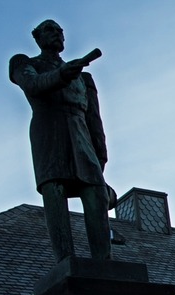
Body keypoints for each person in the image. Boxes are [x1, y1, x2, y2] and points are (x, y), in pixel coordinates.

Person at [9, 19, 112, 262]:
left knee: (96, 193)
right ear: (38, 38)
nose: (56, 34)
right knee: (55, 191)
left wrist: (100, 155)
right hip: (49, 132)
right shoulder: (24, 62)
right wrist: (63, 73)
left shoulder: (84, 78)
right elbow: (33, 85)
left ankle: (104, 261)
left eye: (60, 31)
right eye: (50, 30)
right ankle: (65, 262)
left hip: (80, 135)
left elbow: (94, 119)